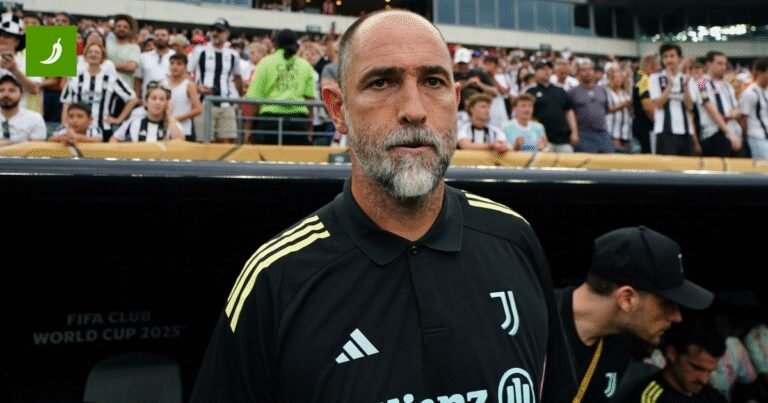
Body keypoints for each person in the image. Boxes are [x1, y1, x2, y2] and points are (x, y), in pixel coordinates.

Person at [191, 9, 576, 402]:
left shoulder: (514, 239)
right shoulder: (276, 279)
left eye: (433, 81)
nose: (414, 109)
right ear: (337, 109)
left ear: (456, 100)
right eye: (381, 82)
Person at [556, 226, 714, 402]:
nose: (677, 316)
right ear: (627, 299)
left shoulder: (620, 341)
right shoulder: (536, 322)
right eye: (666, 304)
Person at [628, 312, 727, 402]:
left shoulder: (709, 395)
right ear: (672, 353)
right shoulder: (649, 399)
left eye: (709, 371)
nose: (704, 380)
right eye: (696, 368)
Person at [246, 28, 315, 145]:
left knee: (266, 156)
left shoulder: (265, 63)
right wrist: (309, 130)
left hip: (269, 122)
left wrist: (248, 129)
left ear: (276, 44)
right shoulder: (305, 65)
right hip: (297, 123)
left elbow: (255, 100)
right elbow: (310, 101)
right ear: (296, 45)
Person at [61, 43, 137, 142]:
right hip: (78, 131)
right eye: (90, 52)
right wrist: (65, 125)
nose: (93, 54)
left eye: (97, 52)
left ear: (102, 58)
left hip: (103, 129)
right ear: (85, 56)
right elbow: (66, 103)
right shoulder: (75, 79)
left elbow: (132, 99)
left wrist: (118, 119)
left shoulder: (112, 79)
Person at [188, 18, 243, 143]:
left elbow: (237, 77)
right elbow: (187, 74)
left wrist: (239, 99)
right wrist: (196, 88)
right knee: (204, 143)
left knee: (226, 143)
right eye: (213, 29)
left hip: (226, 103)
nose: (215, 33)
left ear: (227, 33)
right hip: (204, 103)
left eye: (219, 30)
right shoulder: (199, 51)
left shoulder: (233, 55)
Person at [649, 43, 700, 156]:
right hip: (664, 132)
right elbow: (657, 104)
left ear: (679, 58)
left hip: (686, 132)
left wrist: (685, 87)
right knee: (666, 167)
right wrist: (669, 86)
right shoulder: (655, 78)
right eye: (665, 57)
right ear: (662, 60)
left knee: (687, 166)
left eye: (672, 56)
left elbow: (690, 106)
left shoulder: (687, 79)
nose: (669, 60)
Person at [527, 60, 579, 152]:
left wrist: (574, 132)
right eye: (543, 69)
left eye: (549, 68)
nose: (547, 71)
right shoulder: (531, 92)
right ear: (535, 72)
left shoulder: (560, 91)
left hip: (563, 140)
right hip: (541, 141)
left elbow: (569, 112)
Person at [110, 81, 184, 142]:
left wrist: (169, 115)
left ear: (167, 104)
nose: (157, 102)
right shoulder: (135, 123)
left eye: (162, 99)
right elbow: (113, 139)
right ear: (146, 102)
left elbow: (180, 141)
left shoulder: (172, 124)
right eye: (154, 98)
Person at [161, 53, 201, 141]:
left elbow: (198, 109)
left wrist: (176, 119)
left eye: (179, 64)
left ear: (185, 67)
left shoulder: (188, 85)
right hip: (164, 129)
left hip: (184, 129)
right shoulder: (162, 83)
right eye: (172, 63)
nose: (175, 66)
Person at [0, 74, 45, 143]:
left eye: (12, 90)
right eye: (1, 90)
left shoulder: (35, 119)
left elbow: (37, 147)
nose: (6, 94)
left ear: (22, 95)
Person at [738, 58, 768, 160]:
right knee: (763, 166)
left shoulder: (766, 91)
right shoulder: (750, 92)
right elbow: (743, 117)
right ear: (760, 72)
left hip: (764, 135)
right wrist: (746, 135)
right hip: (757, 137)